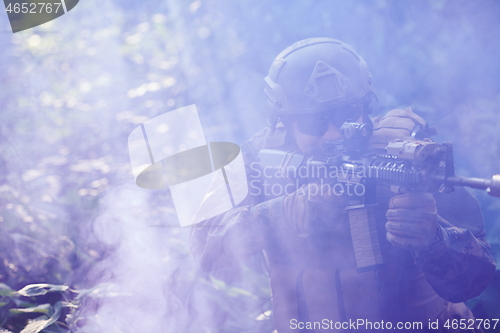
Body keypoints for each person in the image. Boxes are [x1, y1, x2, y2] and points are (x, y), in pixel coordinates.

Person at [190, 38, 495, 332]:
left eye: (348, 115)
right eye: (315, 122)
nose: (335, 134)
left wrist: (435, 240)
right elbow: (202, 245)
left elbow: (477, 279)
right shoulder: (259, 160)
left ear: (365, 106)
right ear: (284, 119)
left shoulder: (407, 155)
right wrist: (284, 213)